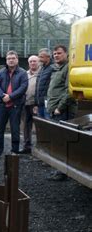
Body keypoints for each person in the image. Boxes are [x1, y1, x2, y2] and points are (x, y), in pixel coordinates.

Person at [46, 44, 78, 180]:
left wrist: (60, 107)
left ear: (66, 54)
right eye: (54, 54)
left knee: (62, 142)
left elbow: (69, 91)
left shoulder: (68, 68)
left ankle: (62, 172)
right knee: (57, 140)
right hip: (54, 110)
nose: (56, 56)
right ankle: (58, 170)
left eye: (59, 53)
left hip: (62, 111)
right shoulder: (57, 69)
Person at [0, 51, 28, 160]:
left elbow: (23, 87)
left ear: (17, 60)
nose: (11, 60)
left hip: (15, 105)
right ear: (6, 60)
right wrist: (2, 96)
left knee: (15, 129)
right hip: (2, 105)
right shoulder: (1, 72)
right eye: (9, 58)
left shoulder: (22, 73)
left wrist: (10, 97)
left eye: (13, 58)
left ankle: (14, 151)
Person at [19, 55, 40, 154]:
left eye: (35, 61)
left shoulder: (41, 74)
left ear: (38, 62)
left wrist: (37, 103)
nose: (33, 63)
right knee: (26, 126)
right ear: (28, 63)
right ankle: (27, 146)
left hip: (36, 104)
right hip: (25, 103)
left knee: (39, 126)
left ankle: (39, 148)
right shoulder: (25, 74)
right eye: (31, 61)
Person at [33, 48, 53, 119]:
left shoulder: (52, 68)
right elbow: (37, 87)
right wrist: (36, 103)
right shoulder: (42, 68)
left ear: (48, 57)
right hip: (40, 104)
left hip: (48, 104)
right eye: (39, 57)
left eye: (41, 57)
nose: (39, 59)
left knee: (48, 125)